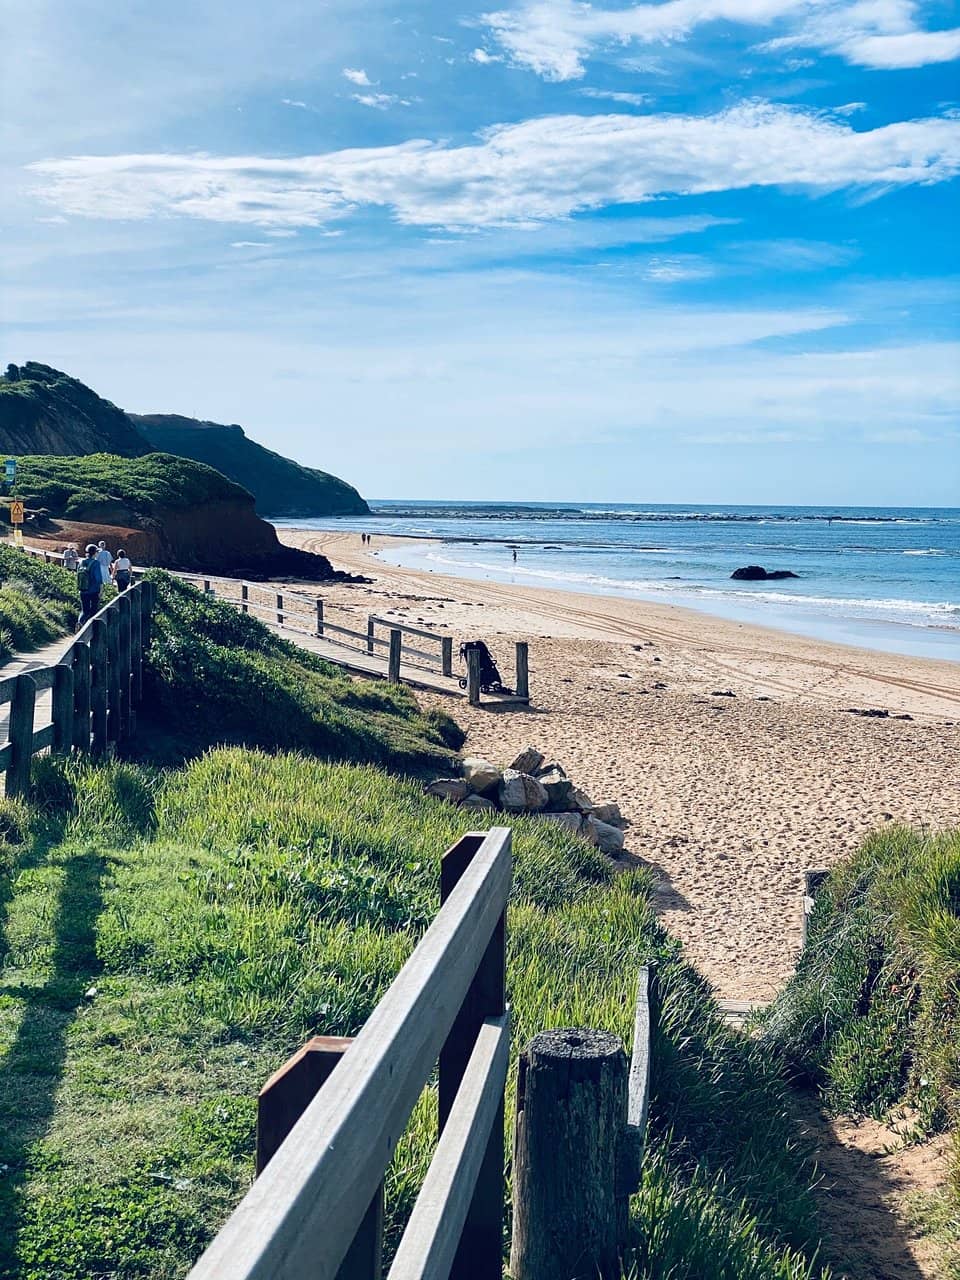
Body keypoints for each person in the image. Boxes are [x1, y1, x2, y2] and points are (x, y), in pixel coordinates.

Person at [76, 544, 102, 628]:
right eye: (97, 552)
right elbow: (98, 578)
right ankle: (92, 629)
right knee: (94, 610)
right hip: (94, 590)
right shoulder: (96, 563)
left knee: (84, 611)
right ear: (94, 553)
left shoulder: (81, 562)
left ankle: (80, 623)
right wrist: (101, 590)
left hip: (83, 589)